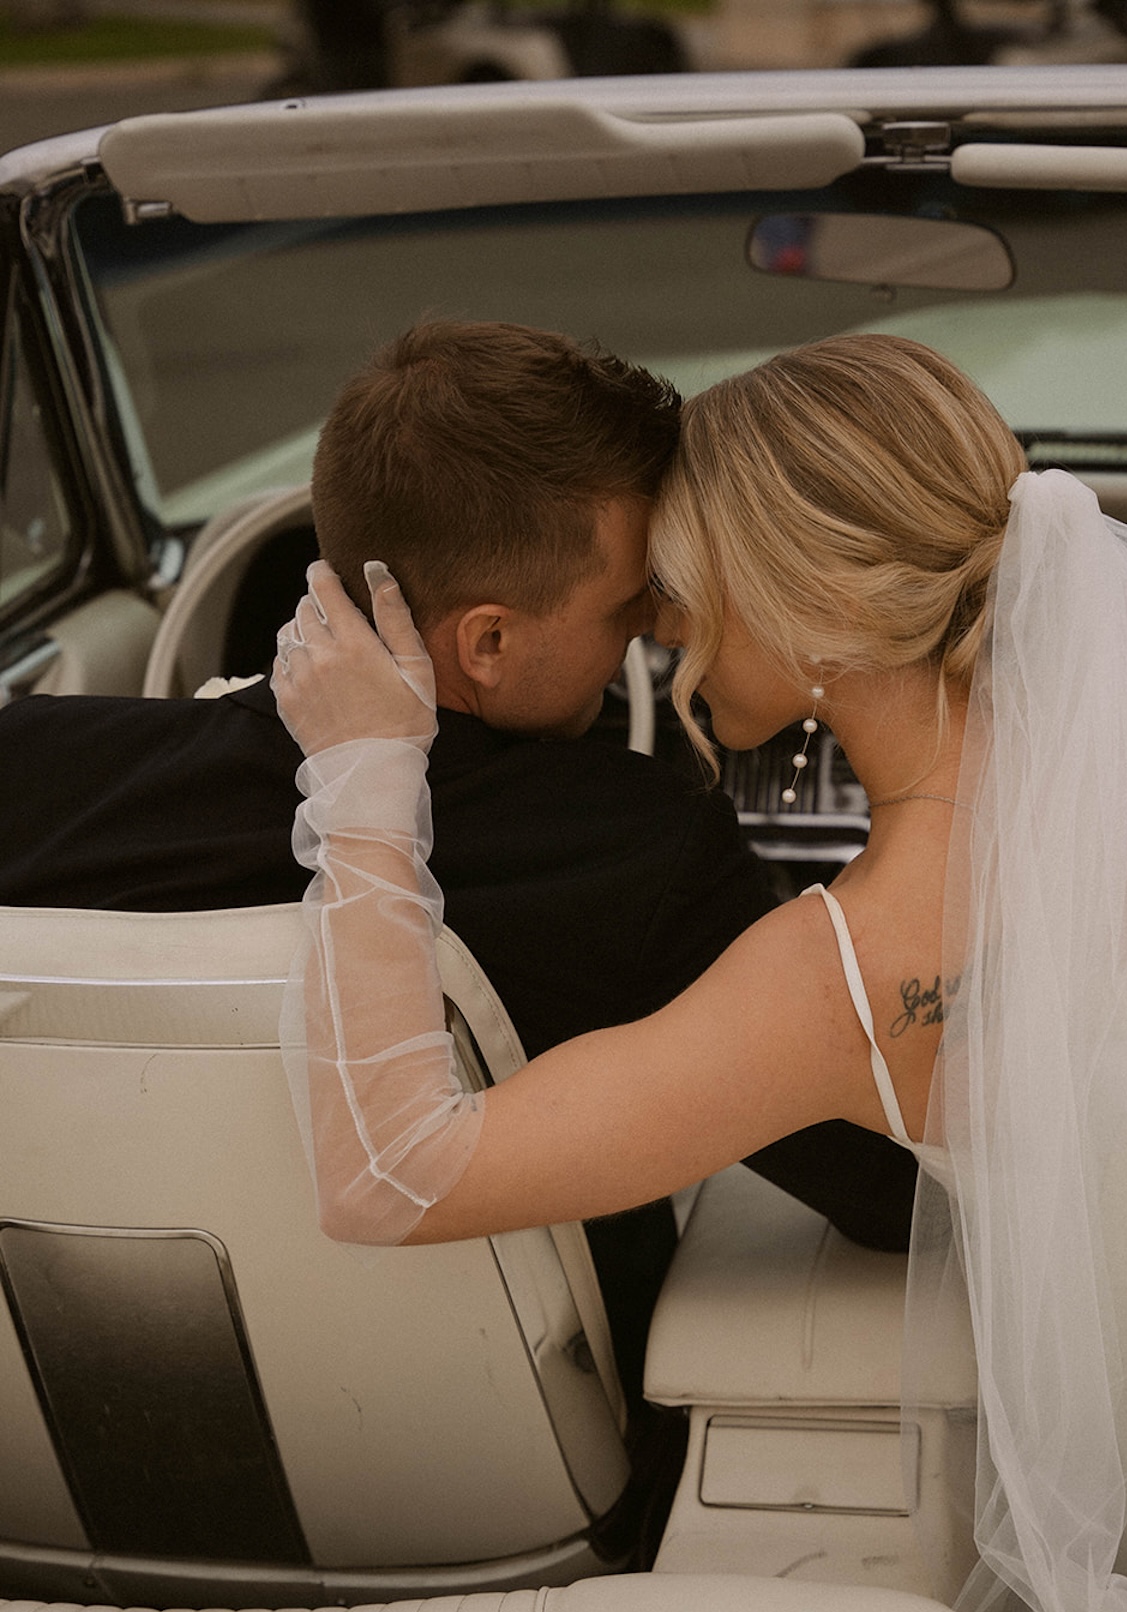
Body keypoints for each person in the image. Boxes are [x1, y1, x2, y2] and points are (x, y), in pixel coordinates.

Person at [273, 331, 1127, 1612]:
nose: (663, 628)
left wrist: (367, 779)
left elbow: (391, 1173)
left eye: (681, 585)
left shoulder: (846, 974)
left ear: (806, 605)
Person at [0, 320, 917, 1409]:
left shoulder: (34, 769)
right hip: (543, 1467)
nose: (661, 635)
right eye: (629, 609)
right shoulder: (635, 846)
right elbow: (888, 1199)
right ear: (486, 643)